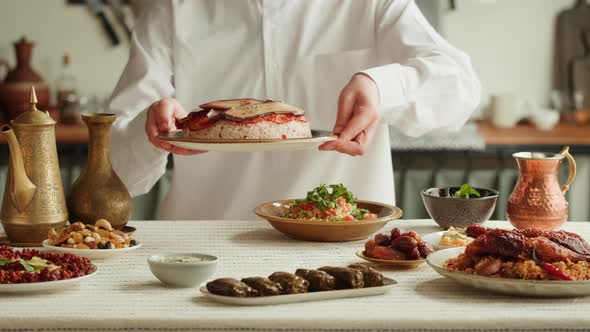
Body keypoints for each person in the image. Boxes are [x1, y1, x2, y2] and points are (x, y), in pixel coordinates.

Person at [109, 0, 481, 220]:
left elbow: (460, 89)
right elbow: (117, 173)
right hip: (203, 250)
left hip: (345, 252)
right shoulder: (173, 10)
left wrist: (381, 86)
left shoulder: (373, 4)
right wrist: (151, 129)